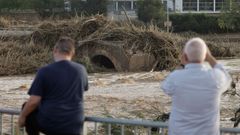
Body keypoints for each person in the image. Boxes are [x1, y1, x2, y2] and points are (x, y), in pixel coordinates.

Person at [18, 37, 89, 135]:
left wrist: (22, 116)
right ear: (72, 53)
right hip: (75, 124)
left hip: (51, 123)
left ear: (55, 50)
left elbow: (34, 101)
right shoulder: (81, 70)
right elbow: (82, 90)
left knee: (26, 107)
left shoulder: (45, 71)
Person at [161, 38, 232, 135]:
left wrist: (182, 64)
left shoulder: (175, 78)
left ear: (185, 57)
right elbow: (227, 78)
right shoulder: (215, 77)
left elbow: (165, 87)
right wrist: (210, 57)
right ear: (204, 56)